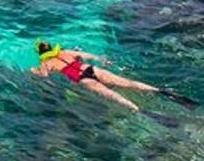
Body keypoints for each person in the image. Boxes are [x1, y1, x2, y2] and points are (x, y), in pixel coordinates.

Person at [31, 40, 195, 112]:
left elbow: (45, 77)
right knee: (129, 83)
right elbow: (91, 56)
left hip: (83, 80)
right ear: (52, 48)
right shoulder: (66, 52)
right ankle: (161, 91)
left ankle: (138, 110)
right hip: (93, 69)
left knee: (116, 97)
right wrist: (104, 61)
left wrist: (34, 72)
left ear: (41, 54)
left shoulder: (46, 64)